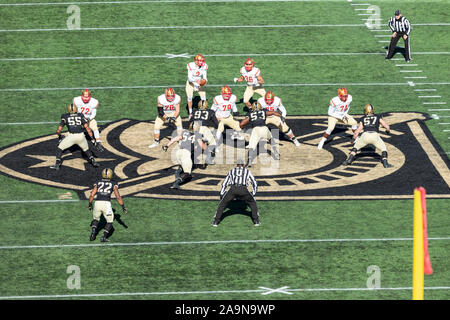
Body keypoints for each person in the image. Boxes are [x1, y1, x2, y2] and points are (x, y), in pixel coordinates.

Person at [342, 104, 394, 168]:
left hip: (365, 135)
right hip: (375, 136)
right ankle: (385, 163)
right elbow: (386, 126)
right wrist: (387, 131)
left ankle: (349, 160)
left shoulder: (363, 118)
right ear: (372, 110)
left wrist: (353, 139)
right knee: (383, 149)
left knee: (355, 148)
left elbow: (357, 131)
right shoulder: (377, 117)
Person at [211, 159, 259, 227]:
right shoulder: (247, 171)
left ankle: (215, 221)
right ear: (243, 165)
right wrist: (254, 192)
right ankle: (256, 220)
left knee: (222, 204)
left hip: (233, 189)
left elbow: (225, 183)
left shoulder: (232, 171)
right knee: (252, 203)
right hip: (243, 189)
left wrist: (222, 193)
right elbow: (254, 182)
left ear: (237, 164)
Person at [50, 104, 99, 170]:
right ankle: (93, 161)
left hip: (72, 137)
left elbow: (58, 130)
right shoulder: (80, 115)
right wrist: (92, 139)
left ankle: (57, 165)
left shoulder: (65, 116)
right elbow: (87, 128)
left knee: (59, 149)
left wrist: (60, 136)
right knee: (86, 150)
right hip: (81, 136)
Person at [88, 168, 127, 242]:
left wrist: (90, 204)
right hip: (106, 203)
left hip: (97, 202)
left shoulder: (98, 182)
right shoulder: (113, 183)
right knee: (110, 221)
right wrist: (123, 206)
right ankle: (104, 237)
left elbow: (92, 194)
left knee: (96, 219)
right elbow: (118, 196)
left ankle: (93, 233)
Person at [239, 102, 282, 167]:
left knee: (251, 146)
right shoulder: (264, 111)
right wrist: (281, 116)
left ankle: (249, 161)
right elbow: (273, 112)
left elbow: (242, 123)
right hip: (264, 129)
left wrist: (242, 128)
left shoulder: (250, 114)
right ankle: (276, 153)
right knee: (271, 139)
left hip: (256, 130)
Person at [188, 100, 219, 164]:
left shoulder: (194, 111)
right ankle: (208, 159)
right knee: (212, 143)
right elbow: (216, 123)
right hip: (203, 128)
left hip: (193, 127)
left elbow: (190, 121)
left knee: (193, 143)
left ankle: (191, 156)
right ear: (206, 105)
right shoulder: (210, 112)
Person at [186, 54, 208, 118]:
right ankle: (190, 113)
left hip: (199, 81)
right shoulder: (190, 65)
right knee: (189, 98)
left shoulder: (204, 66)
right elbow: (189, 78)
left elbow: (205, 78)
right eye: (200, 61)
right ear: (196, 61)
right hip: (191, 82)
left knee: (203, 98)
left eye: (202, 61)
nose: (201, 62)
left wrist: (203, 82)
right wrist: (195, 84)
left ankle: (203, 112)